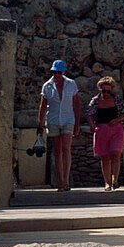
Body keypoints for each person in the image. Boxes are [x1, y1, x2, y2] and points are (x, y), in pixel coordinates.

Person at [37, 59, 81, 192]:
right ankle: (60, 182)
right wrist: (39, 124)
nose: (56, 75)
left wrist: (77, 123)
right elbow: (43, 106)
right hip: (53, 120)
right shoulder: (47, 86)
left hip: (68, 119)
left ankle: (66, 181)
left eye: (58, 72)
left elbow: (77, 104)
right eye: (54, 72)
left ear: (63, 72)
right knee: (57, 152)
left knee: (66, 148)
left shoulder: (71, 84)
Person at [86, 76, 124, 191]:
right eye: (103, 91)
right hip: (101, 130)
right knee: (104, 157)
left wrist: (116, 120)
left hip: (116, 130)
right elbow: (89, 113)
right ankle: (107, 183)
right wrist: (91, 125)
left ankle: (115, 181)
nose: (106, 93)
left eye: (108, 91)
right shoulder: (95, 100)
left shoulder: (117, 100)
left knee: (115, 154)